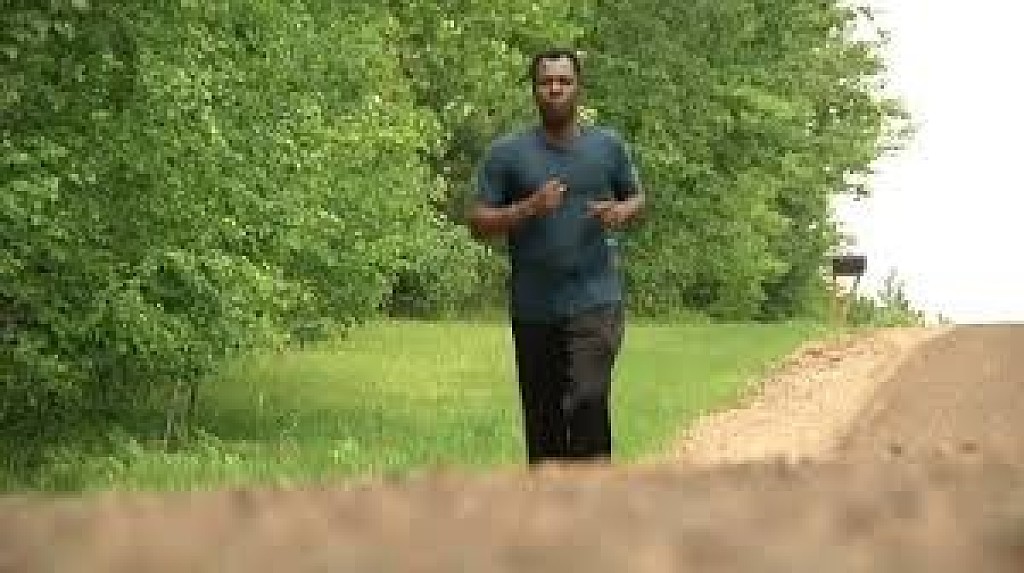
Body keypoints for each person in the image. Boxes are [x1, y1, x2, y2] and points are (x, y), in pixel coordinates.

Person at [468, 48, 646, 465]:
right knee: (543, 420)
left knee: (587, 398)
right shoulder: (508, 154)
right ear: (534, 90)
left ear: (578, 88)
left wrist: (622, 211)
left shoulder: (607, 147)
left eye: (564, 81)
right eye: (546, 82)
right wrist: (528, 208)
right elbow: (477, 221)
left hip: (595, 300)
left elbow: (637, 198)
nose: (555, 89)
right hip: (534, 307)